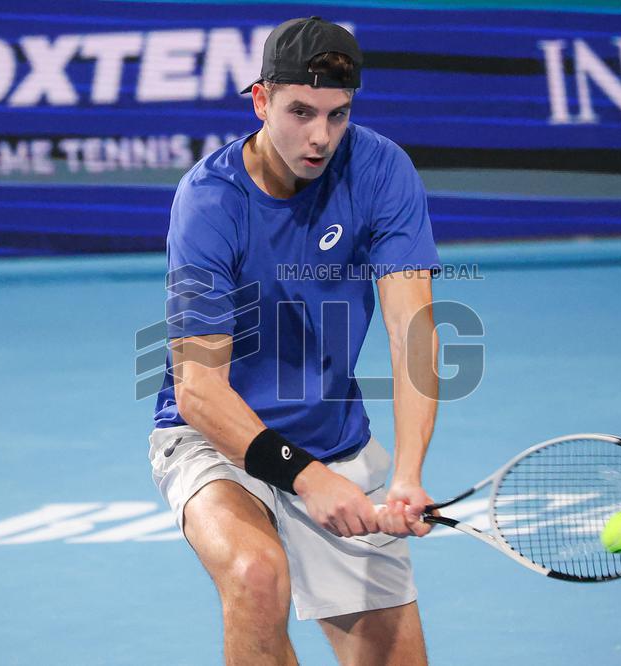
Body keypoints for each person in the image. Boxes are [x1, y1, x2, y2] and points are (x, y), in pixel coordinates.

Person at [149, 16, 441, 666]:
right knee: (255, 574)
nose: (321, 136)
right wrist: (307, 478)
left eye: (338, 114)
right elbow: (198, 391)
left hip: (334, 441)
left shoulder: (380, 170)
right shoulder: (208, 201)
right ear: (261, 100)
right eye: (301, 112)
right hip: (217, 441)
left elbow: (413, 336)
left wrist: (407, 475)